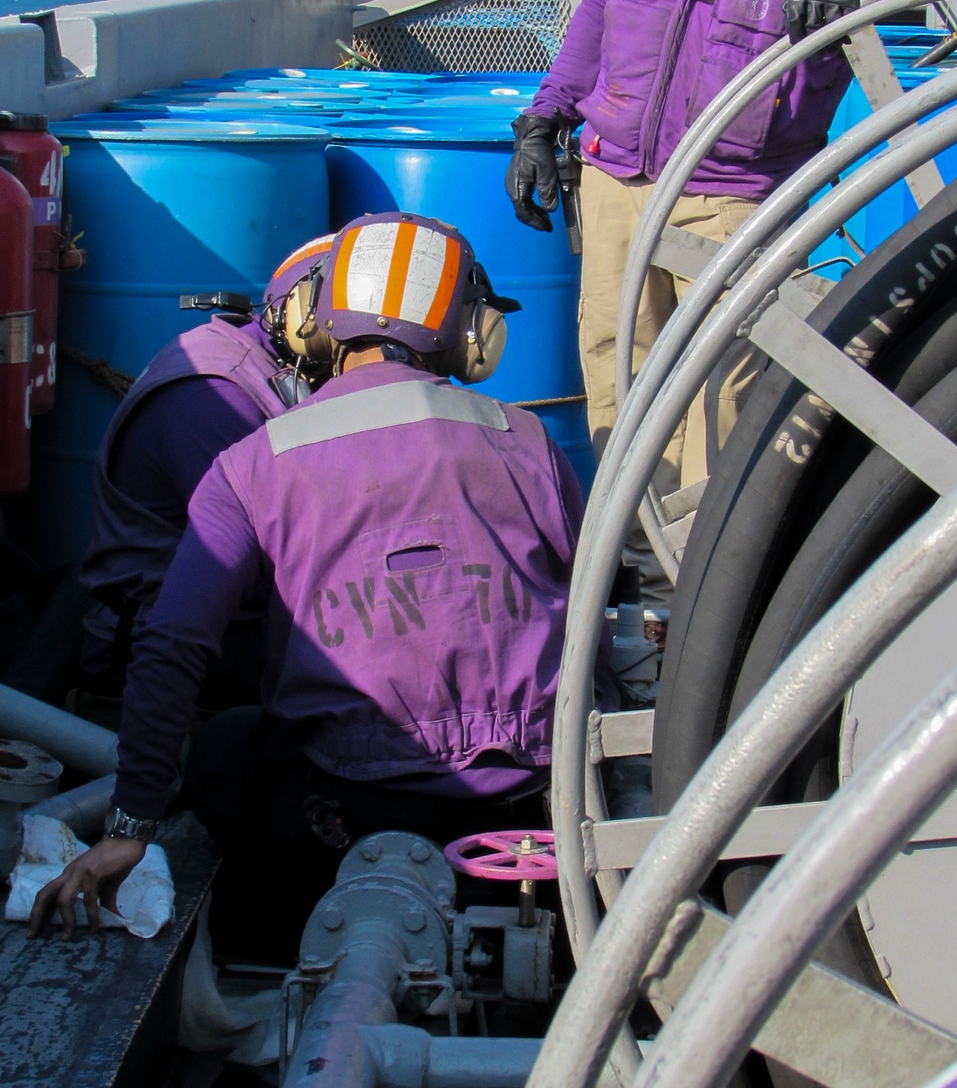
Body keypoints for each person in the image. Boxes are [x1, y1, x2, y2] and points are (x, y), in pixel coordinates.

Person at [30, 212, 589, 940]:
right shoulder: (531, 441)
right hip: (522, 809)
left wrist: (129, 824)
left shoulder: (254, 461)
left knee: (228, 744)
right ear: (471, 334)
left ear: (316, 323)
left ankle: (269, 940)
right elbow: (587, 611)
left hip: (345, 809)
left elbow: (172, 639)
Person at [505, 0, 941, 516]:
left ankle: (694, 585)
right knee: (611, 365)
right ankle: (627, 550)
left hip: (732, 196)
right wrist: (547, 113)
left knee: (716, 392)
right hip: (618, 177)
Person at [77, 232, 335, 698]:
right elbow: (275, 568)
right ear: (309, 322)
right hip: (164, 650)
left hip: (227, 624)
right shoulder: (216, 398)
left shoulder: (266, 366)